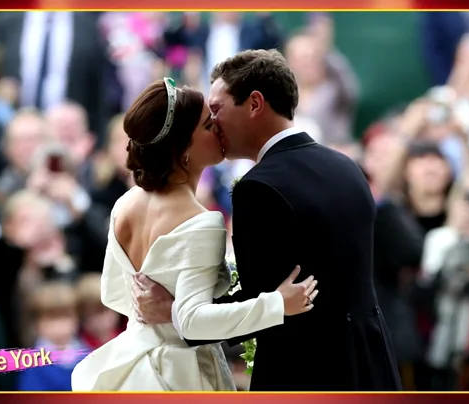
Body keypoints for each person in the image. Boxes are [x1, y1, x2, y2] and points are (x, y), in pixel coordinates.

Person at [131, 49, 402, 391]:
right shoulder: (347, 167)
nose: (213, 124)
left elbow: (264, 304)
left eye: (217, 109)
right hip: (372, 365)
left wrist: (175, 313)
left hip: (305, 373)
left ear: (255, 104)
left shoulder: (259, 188)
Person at [70, 77, 318, 392]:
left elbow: (113, 293)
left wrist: (162, 313)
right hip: (180, 376)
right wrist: (277, 305)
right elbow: (193, 321)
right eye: (206, 125)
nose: (218, 128)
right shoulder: (201, 222)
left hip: (131, 366)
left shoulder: (127, 203)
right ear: (181, 148)